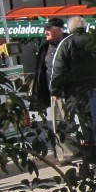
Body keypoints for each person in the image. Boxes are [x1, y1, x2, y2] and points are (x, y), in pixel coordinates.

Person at [50, 16, 96, 162]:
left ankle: (91, 158)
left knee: (82, 125)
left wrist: (55, 90)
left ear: (70, 28)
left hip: (75, 93)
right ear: (85, 27)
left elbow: (58, 69)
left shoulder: (66, 43)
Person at [31, 17, 68, 157]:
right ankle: (65, 155)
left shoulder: (67, 44)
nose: (45, 32)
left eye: (49, 29)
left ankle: (83, 150)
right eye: (45, 29)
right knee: (59, 125)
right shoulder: (45, 47)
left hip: (69, 91)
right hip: (54, 93)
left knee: (73, 124)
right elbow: (40, 70)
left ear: (59, 30)